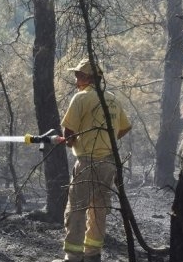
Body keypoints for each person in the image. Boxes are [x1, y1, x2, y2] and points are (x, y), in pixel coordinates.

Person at [53, 59, 132, 262]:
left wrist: (71, 142)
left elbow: (69, 134)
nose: (76, 78)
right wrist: (107, 139)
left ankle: (73, 257)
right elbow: (124, 128)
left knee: (76, 210)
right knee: (98, 210)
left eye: (78, 75)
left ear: (88, 77)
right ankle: (93, 255)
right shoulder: (112, 99)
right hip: (108, 164)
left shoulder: (81, 98)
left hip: (87, 163)